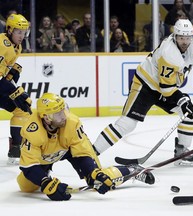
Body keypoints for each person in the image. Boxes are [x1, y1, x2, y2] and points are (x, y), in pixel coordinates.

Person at [93, 19, 193, 167]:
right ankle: (90, 153)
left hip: (165, 87)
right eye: (181, 38)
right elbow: (167, 88)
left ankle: (182, 150)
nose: (185, 42)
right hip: (146, 85)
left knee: (189, 112)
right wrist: (182, 100)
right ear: (175, 36)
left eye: (188, 38)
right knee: (127, 124)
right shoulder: (169, 53)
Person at [17, 93, 155, 201]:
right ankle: (45, 173)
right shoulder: (32, 131)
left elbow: (82, 153)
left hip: (68, 150)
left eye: (63, 110)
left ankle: (131, 170)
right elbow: (28, 165)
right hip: (44, 157)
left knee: (98, 180)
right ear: (46, 118)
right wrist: (46, 182)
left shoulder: (72, 123)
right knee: (26, 187)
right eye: (58, 114)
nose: (64, 116)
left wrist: (93, 172)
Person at [0, 14, 32, 165]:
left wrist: (12, 75)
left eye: (24, 32)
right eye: (19, 31)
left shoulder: (17, 47)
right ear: (10, 30)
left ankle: (15, 150)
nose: (22, 35)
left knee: (21, 109)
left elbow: (3, 75)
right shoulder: (1, 43)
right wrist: (15, 91)